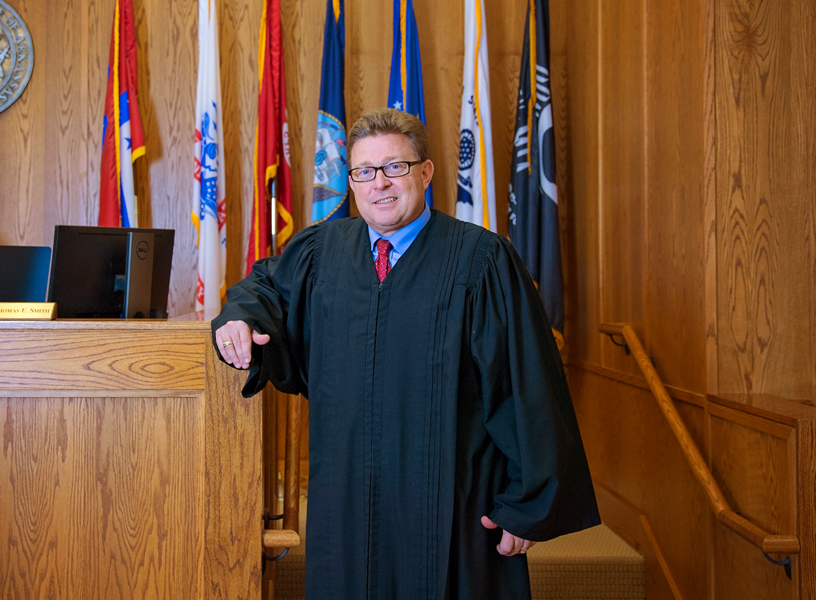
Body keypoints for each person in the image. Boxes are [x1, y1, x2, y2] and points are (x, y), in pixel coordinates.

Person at [213, 108, 599, 599]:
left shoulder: (480, 260)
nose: (381, 183)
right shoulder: (321, 252)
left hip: (451, 509)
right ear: (351, 181)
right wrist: (240, 318)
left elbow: (525, 384)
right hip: (345, 506)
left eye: (395, 167)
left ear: (425, 172)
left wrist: (528, 505)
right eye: (365, 171)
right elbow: (265, 288)